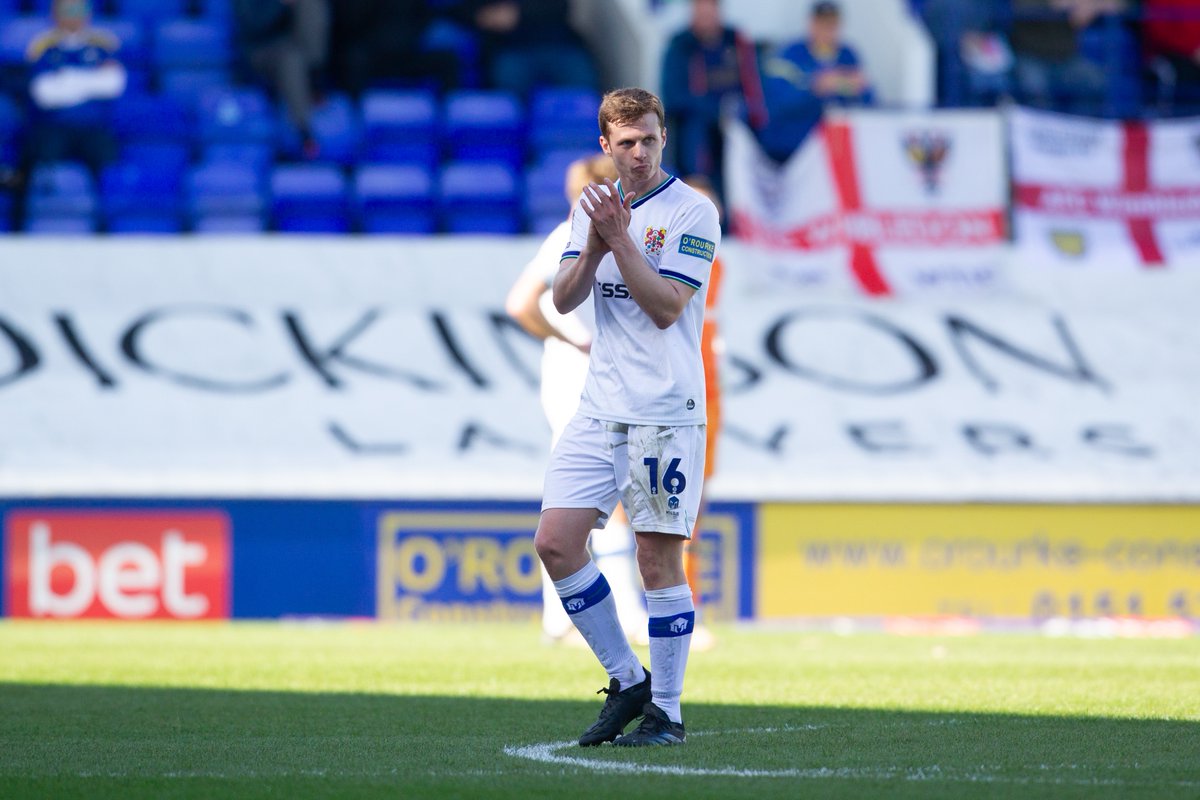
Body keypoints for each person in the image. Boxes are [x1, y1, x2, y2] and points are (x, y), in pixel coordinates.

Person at [534, 87, 720, 747]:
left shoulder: (691, 211)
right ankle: (626, 678)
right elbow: (561, 297)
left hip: (664, 410)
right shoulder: (591, 207)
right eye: (627, 143)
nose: (639, 153)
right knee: (555, 542)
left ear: (662, 137)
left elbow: (666, 305)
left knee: (656, 560)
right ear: (606, 146)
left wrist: (619, 240)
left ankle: (666, 712)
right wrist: (591, 245)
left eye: (649, 139)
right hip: (599, 404)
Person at [505, 154, 648, 646]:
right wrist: (572, 342)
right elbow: (520, 303)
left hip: (593, 378)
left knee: (592, 496)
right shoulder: (573, 235)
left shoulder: (593, 236)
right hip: (580, 380)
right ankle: (622, 613)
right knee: (596, 493)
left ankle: (562, 616)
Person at [660, 0, 768, 203]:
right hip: (697, 125)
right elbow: (673, 96)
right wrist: (715, 110)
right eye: (700, 9)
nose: (706, 15)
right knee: (696, 129)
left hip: (736, 125)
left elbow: (756, 88)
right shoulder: (680, 45)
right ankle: (700, 198)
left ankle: (743, 209)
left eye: (710, 9)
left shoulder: (736, 42)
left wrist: (739, 111)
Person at [757, 0, 873, 164]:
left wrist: (861, 89)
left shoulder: (848, 55)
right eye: (822, 23)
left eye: (832, 24)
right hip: (792, 149)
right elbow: (775, 103)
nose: (827, 29)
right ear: (811, 23)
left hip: (834, 150)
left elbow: (869, 101)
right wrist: (813, 89)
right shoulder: (788, 54)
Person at [22, 0, 126, 179]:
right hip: (53, 127)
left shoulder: (103, 44)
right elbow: (44, 94)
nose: (74, 16)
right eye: (67, 10)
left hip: (94, 128)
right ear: (54, 14)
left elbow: (113, 85)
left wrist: (66, 80)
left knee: (109, 164)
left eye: (79, 10)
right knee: (38, 159)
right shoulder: (43, 45)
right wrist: (92, 80)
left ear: (89, 13)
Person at [233, 0, 330, 158]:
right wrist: (281, 4)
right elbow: (253, 24)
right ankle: (304, 132)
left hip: (298, 50)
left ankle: (316, 75)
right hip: (259, 51)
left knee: (312, 4)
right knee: (291, 59)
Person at [452, 0, 599, 99]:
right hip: (509, 47)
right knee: (509, 84)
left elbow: (561, 7)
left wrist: (518, 14)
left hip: (558, 43)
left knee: (582, 87)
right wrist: (484, 17)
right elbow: (462, 10)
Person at [329, 0, 463, 98]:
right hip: (374, 56)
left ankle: (449, 123)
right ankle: (355, 116)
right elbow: (350, 22)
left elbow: (429, 15)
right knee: (353, 58)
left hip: (409, 55)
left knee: (448, 59)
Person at [1009, 0, 1121, 114]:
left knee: (1096, 82)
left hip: (1066, 58)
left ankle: (1078, 124)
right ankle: (1044, 129)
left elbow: (1118, 4)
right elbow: (1023, 6)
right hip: (1030, 56)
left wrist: (1093, 6)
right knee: (1035, 90)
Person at [1143, 0, 1200, 112]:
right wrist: (1192, 50)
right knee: (1186, 73)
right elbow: (1158, 32)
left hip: (1194, 52)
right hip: (1173, 54)